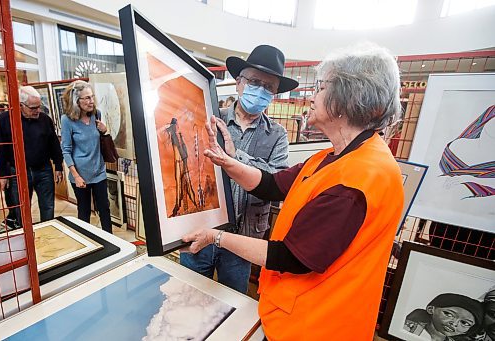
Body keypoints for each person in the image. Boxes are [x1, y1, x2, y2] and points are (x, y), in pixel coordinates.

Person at [182, 43, 405, 340]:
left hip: (316, 326)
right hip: (293, 314)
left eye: (322, 87)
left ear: (348, 100)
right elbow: (271, 185)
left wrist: (215, 236)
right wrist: (228, 161)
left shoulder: (359, 177)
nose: (312, 96)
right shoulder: (334, 157)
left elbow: (290, 257)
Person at [179, 45, 297, 294]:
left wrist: (236, 158)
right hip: (203, 229)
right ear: (239, 83)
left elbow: (276, 182)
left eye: (269, 87)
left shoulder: (277, 135)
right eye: (255, 82)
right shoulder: (211, 119)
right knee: (187, 295)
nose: (261, 91)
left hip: (243, 239)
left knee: (232, 303)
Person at [0, 86, 63, 233]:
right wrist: (3, 174)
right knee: (20, 207)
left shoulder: (45, 119)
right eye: (33, 108)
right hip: (17, 171)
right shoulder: (4, 121)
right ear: (21, 105)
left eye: (39, 106)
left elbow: (54, 144)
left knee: (48, 206)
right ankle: (24, 236)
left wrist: (58, 165)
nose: (38, 110)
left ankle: (48, 234)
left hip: (43, 169)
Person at [60, 80, 112, 233]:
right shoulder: (67, 120)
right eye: (87, 98)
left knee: (104, 209)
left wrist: (105, 129)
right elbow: (66, 150)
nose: (91, 101)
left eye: (92, 97)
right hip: (80, 175)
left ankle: (112, 241)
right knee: (84, 213)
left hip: (99, 171)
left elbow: (102, 138)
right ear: (77, 101)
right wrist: (76, 176)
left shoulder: (97, 114)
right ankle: (87, 242)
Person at [404, 293, 484, 341]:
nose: (454, 323)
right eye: (448, 314)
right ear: (431, 309)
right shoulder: (408, 328)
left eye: (464, 323)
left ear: (469, 330)